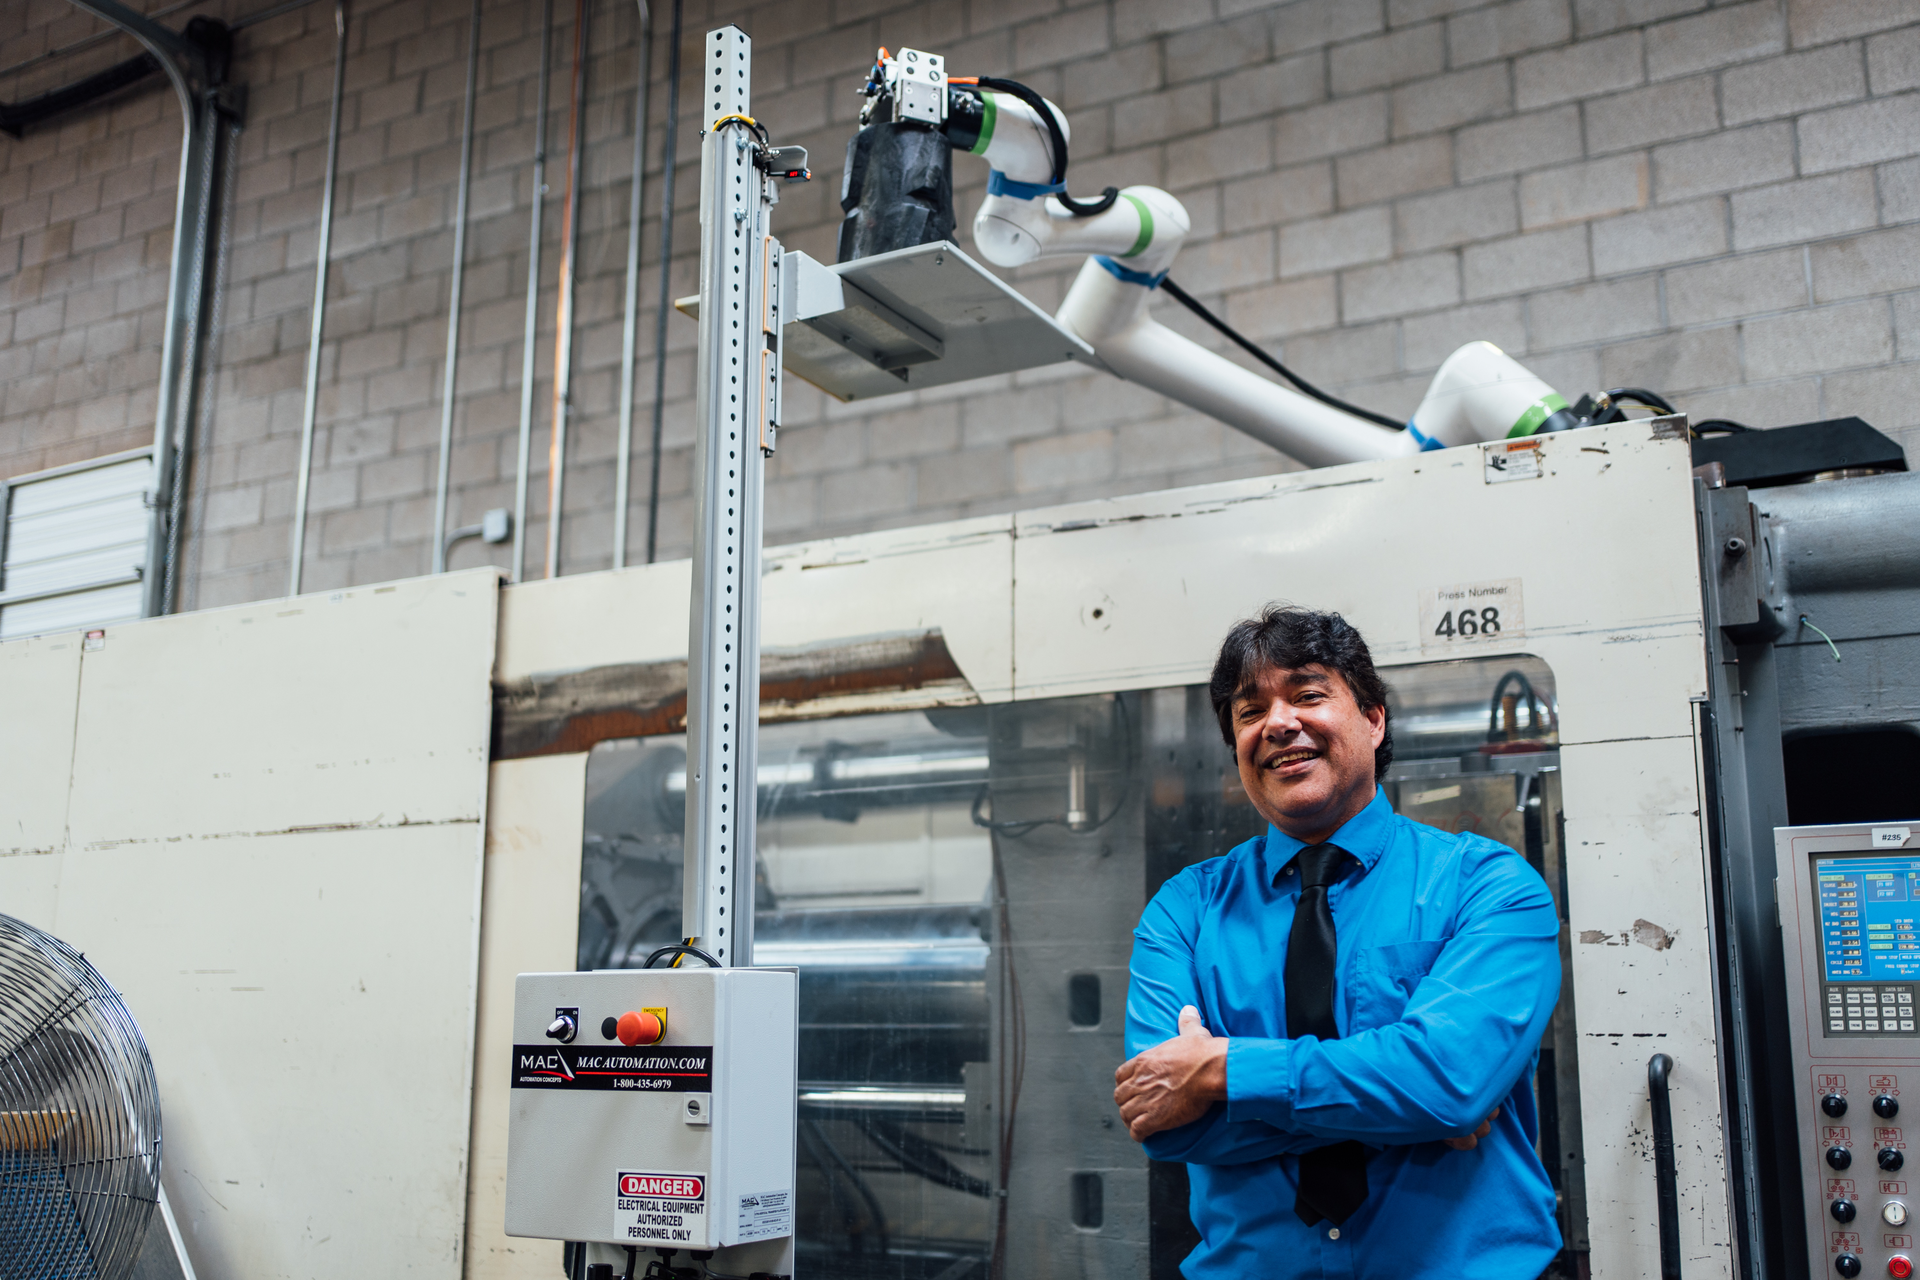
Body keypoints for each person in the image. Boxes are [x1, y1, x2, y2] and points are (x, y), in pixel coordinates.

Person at [1113, 604, 1563, 1278]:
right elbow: (1167, 1121)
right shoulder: (1184, 911)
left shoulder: (1490, 888)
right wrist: (1408, 1108)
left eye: (1307, 694)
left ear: (1374, 719)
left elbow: (1448, 1083)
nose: (1278, 723)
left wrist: (1221, 1072)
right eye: (1248, 711)